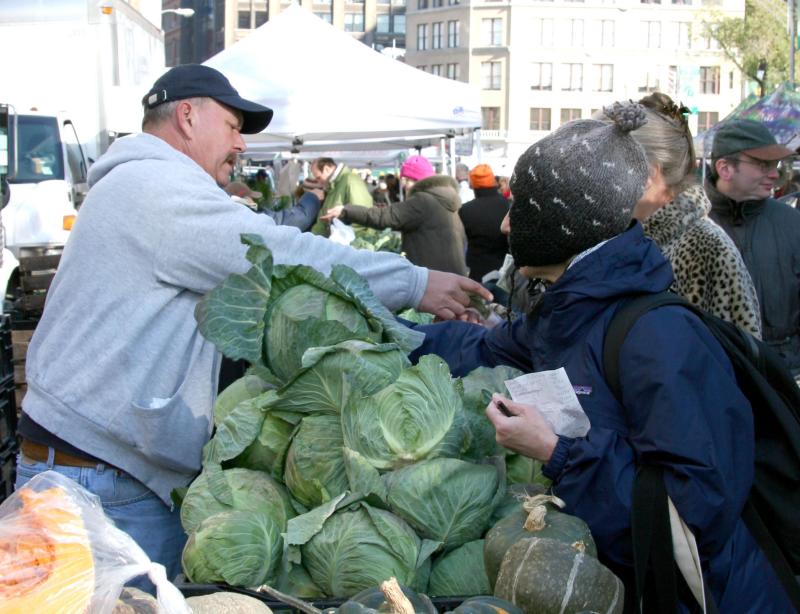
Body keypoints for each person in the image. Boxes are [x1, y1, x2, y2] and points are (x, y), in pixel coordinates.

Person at [14, 64, 490, 580]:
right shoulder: (152, 188)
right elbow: (276, 252)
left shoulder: (143, 183)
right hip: (99, 476)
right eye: (234, 125)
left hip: (104, 464)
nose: (240, 143)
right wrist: (415, 284)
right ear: (189, 116)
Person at [407, 103, 793, 611]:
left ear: (565, 224)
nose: (504, 225)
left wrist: (557, 451)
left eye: (520, 207)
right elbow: (485, 347)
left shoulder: (660, 337)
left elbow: (694, 515)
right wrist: (386, 331)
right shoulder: (568, 312)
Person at [611, 93, 763, 338]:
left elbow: (740, 362)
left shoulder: (708, 246)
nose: (601, 178)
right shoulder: (618, 239)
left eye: (610, 166)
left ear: (648, 173)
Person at [705, 119, 800, 375]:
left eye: (775, 164)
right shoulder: (689, 224)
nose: (775, 174)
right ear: (725, 168)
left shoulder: (793, 223)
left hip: (785, 381)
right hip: (715, 380)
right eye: (762, 164)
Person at [321, 155, 468, 275]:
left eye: (407, 180)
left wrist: (346, 211)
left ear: (416, 179)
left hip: (433, 275)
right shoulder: (445, 199)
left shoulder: (423, 200)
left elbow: (384, 217)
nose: (404, 184)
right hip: (451, 272)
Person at [458, 163, 509, 283]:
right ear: (493, 182)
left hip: (477, 272)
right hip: (504, 271)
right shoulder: (507, 205)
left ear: (472, 185)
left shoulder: (465, 210)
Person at [308, 156, 373, 236]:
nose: (318, 182)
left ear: (327, 169)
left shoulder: (351, 180)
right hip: (340, 241)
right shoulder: (331, 187)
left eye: (318, 178)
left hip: (353, 242)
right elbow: (322, 221)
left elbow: (362, 215)